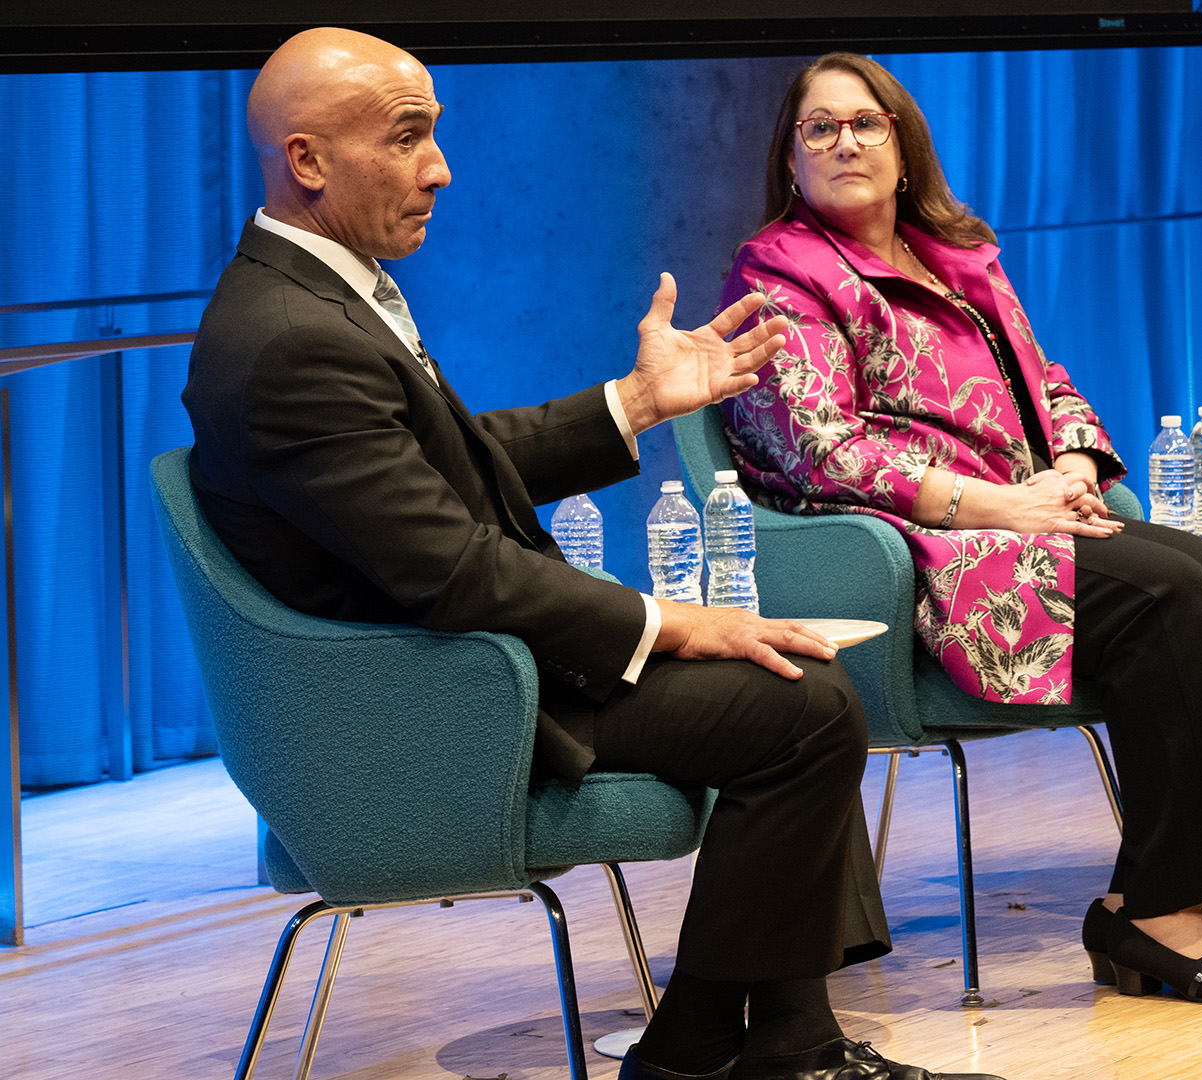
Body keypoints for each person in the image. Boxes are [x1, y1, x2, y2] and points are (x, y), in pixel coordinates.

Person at [183, 28, 1000, 1080]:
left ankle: (776, 1043)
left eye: (436, 133)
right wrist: (675, 625)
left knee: (798, 682)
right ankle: (711, 1047)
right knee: (799, 710)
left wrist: (638, 401)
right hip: (430, 701)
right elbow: (450, 567)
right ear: (307, 161)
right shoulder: (293, 334)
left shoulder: (323, 296)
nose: (439, 167)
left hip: (462, 664)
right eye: (408, 138)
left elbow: (459, 470)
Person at [716, 52, 1202, 1006]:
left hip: (1030, 514)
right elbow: (822, 448)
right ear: (791, 160)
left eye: (865, 123)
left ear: (904, 147)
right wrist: (1004, 505)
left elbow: (1050, 379)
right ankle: (1162, 920)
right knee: (1167, 597)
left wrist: (1073, 464)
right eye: (818, 128)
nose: (844, 143)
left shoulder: (955, 253)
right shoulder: (782, 274)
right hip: (929, 545)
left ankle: (1152, 898)